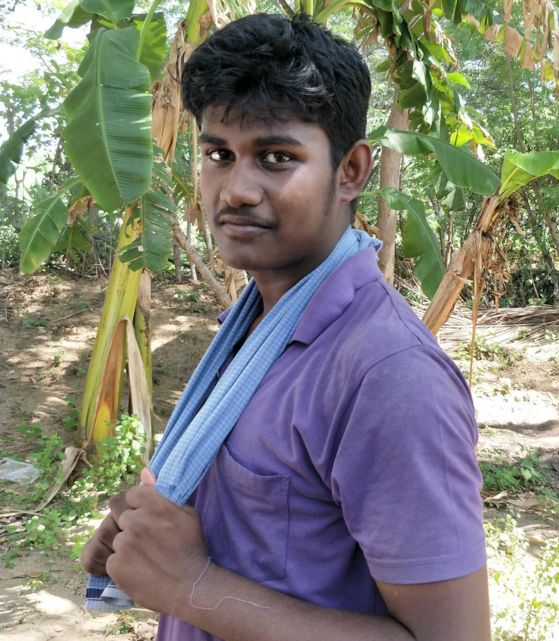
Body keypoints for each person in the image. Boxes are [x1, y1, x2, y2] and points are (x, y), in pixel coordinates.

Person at [81, 12, 490, 641]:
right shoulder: (255, 328)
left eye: (276, 157)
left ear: (351, 171)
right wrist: (149, 542)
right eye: (218, 154)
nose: (235, 190)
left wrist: (192, 586)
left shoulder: (387, 376)